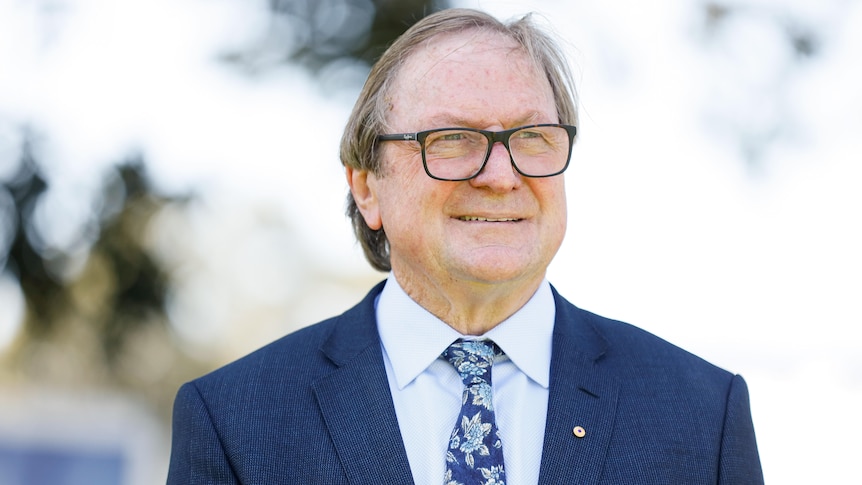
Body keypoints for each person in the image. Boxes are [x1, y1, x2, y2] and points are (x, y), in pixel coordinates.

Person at [167, 8, 763, 485]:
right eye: (453, 139)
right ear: (367, 186)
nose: (501, 176)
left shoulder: (702, 414)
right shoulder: (237, 420)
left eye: (532, 137)